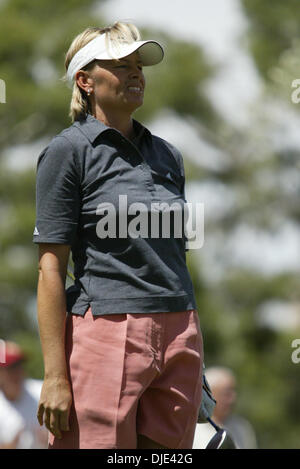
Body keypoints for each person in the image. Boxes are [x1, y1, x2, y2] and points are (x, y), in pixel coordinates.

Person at [33, 21, 204, 449]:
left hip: (180, 327)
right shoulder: (67, 151)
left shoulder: (169, 154)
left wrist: (198, 363)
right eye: (121, 65)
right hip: (105, 327)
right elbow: (50, 268)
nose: (136, 74)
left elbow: (176, 260)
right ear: (85, 81)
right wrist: (55, 376)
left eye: (138, 66)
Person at [193, 366, 257, 449]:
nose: (233, 399)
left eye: (234, 392)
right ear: (209, 394)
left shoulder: (241, 427)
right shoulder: (192, 429)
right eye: (226, 394)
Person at [0, 341, 48, 449]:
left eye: (19, 365)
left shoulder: (42, 391)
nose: (18, 371)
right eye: (11, 367)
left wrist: (52, 438)